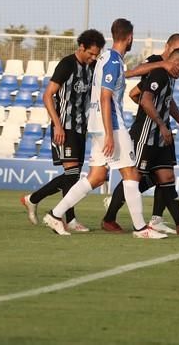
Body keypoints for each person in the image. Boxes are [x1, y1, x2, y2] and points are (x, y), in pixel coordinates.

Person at [42, 18, 166, 238]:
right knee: (131, 173)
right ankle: (140, 228)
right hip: (111, 125)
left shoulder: (105, 58)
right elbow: (105, 97)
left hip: (96, 125)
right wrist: (110, 133)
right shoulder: (113, 62)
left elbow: (119, 81)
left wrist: (159, 65)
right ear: (129, 38)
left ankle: (55, 214)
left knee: (97, 175)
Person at [101, 47, 179, 235]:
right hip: (146, 134)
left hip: (159, 137)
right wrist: (160, 123)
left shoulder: (169, 78)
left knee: (167, 178)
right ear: (175, 61)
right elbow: (145, 100)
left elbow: (165, 101)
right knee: (134, 177)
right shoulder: (159, 73)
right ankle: (111, 218)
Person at [20, 29, 105, 232]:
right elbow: (47, 95)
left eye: (96, 55)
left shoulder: (91, 67)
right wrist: (57, 124)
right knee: (72, 174)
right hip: (64, 127)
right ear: (81, 47)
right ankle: (33, 198)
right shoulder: (67, 64)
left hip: (80, 128)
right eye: (91, 53)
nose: (93, 57)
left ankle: (71, 219)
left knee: (73, 176)